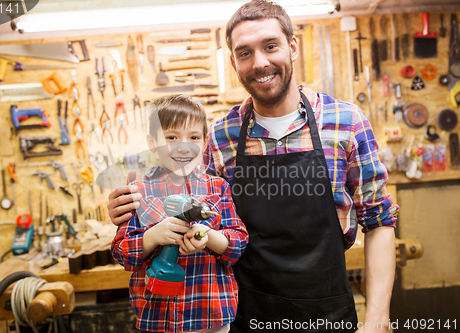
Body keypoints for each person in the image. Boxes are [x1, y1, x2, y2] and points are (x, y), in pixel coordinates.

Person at [109, 1, 398, 332]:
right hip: (246, 316)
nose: (260, 62)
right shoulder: (219, 136)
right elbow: (184, 202)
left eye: (270, 46)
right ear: (234, 62)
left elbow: (379, 221)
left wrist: (377, 320)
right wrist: (130, 205)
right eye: (245, 53)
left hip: (326, 311)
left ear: (292, 47)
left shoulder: (345, 123)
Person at [111, 95, 248, 333]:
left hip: (210, 314)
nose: (183, 146)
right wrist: (153, 235)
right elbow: (123, 253)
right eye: (172, 137)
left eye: (193, 137)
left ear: (204, 143)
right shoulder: (138, 192)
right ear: (152, 142)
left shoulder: (218, 188)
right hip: (159, 317)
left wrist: (208, 236)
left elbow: (237, 244)